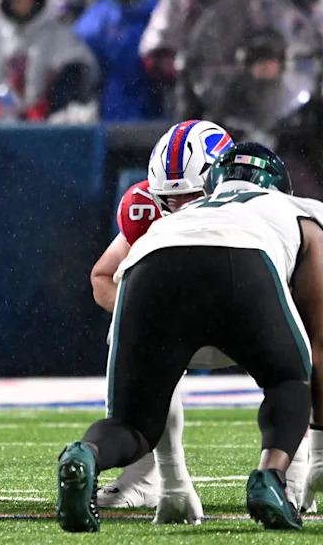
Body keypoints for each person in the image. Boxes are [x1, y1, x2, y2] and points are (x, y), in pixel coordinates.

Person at [59, 142, 320, 532]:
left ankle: (88, 454)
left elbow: (107, 275)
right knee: (288, 381)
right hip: (244, 262)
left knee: (132, 424)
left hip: (149, 264)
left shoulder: (179, 211)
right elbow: (319, 337)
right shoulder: (301, 211)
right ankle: (271, 476)